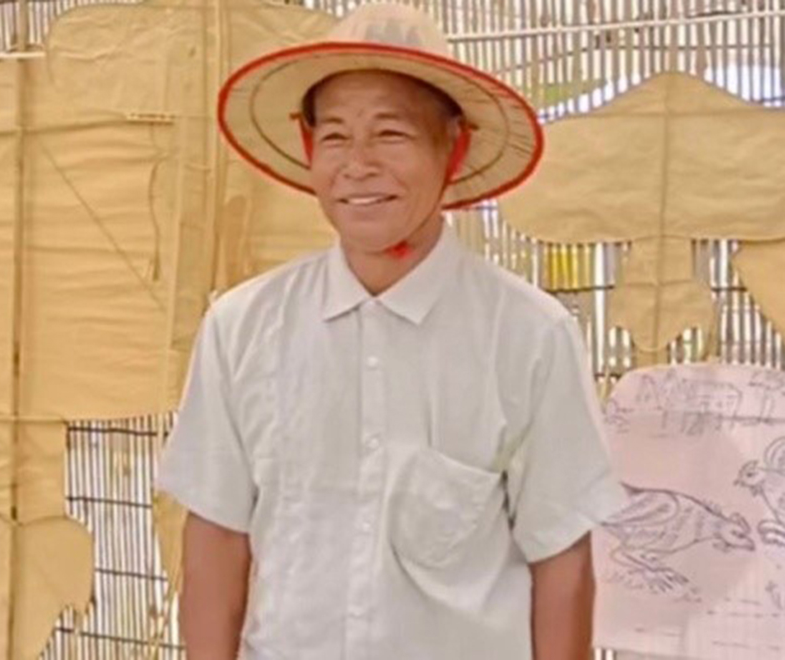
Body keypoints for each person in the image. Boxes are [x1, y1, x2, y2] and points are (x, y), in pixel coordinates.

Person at [157, 3, 626, 659]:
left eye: (392, 134)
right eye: (337, 137)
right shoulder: (241, 327)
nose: (359, 165)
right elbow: (215, 536)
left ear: (453, 147)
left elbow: (563, 562)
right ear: (307, 147)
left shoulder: (529, 336)